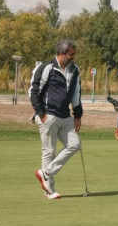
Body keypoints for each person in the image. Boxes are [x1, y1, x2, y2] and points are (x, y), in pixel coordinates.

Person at [30, 39, 83, 200]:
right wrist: (41, 114)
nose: (73, 57)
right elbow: (33, 91)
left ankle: (46, 173)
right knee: (49, 152)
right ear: (61, 53)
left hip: (66, 116)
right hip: (48, 115)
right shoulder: (46, 67)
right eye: (71, 54)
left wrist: (78, 115)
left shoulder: (75, 70)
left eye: (74, 54)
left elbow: (76, 94)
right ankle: (49, 190)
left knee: (75, 144)